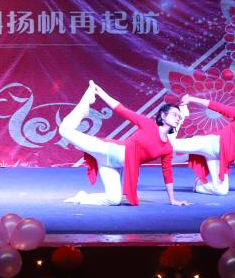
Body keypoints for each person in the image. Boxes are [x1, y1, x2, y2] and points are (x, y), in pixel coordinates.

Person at [59, 81, 190, 206]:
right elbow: (121, 109)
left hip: (113, 165)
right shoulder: (148, 124)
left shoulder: (167, 148)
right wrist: (100, 92)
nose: (177, 118)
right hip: (107, 150)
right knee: (64, 130)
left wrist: (173, 199)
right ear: (163, 116)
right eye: (174, 115)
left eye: (179, 117)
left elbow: (167, 173)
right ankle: (83, 109)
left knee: (113, 200)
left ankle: (82, 197)